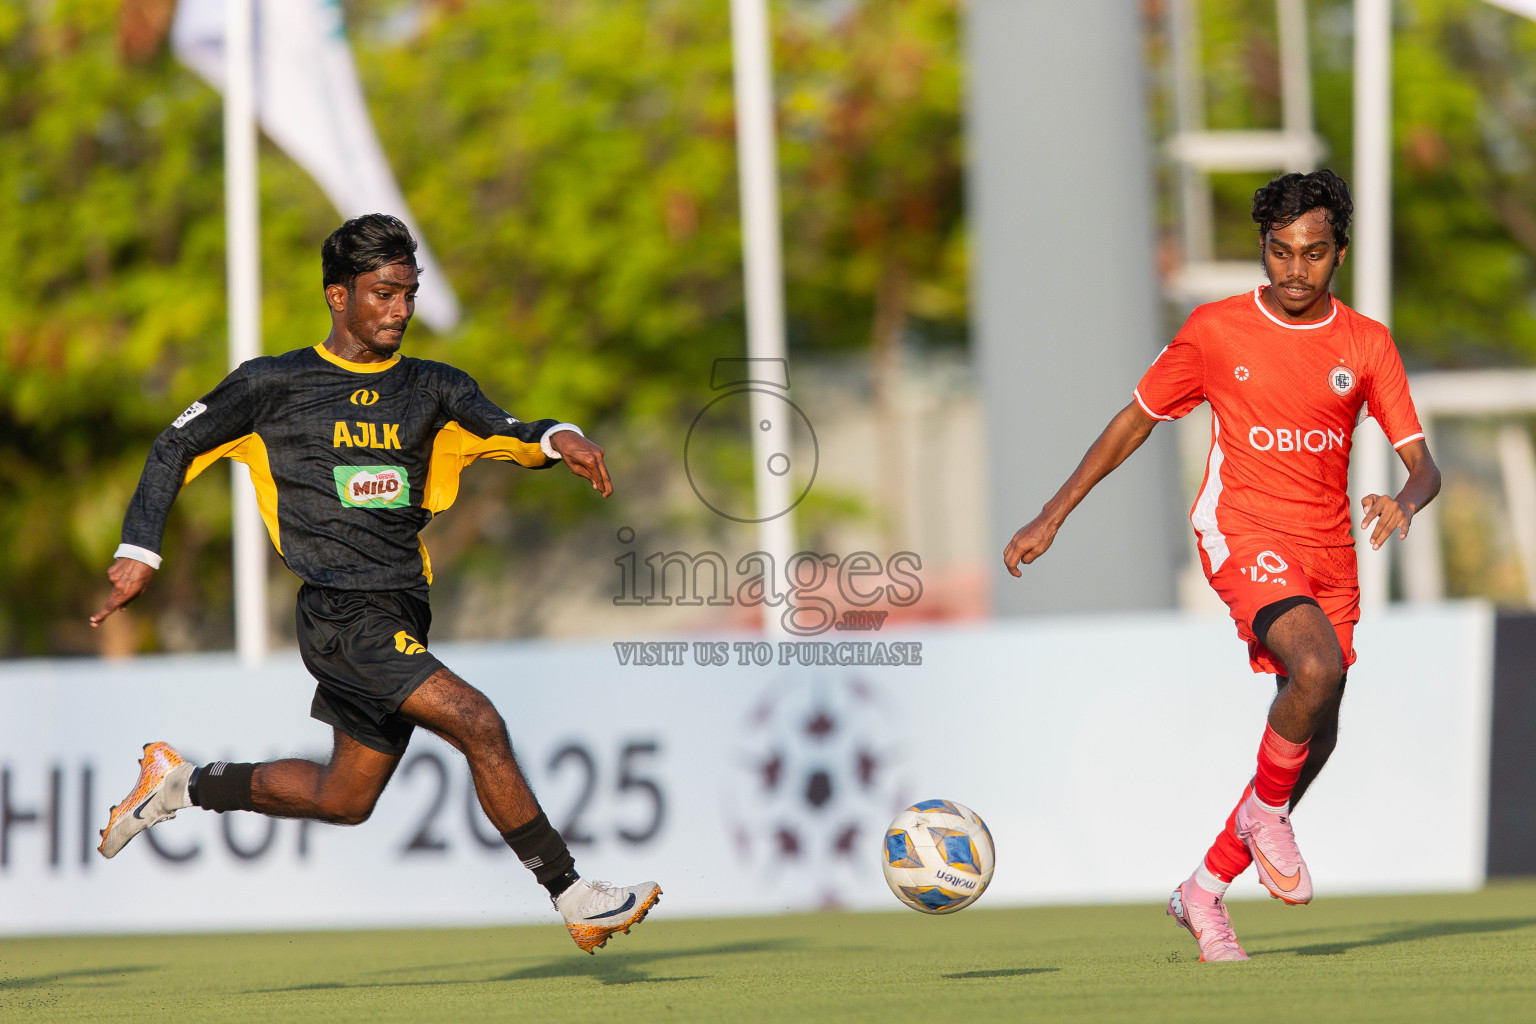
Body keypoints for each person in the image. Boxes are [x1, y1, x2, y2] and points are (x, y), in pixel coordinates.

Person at [90, 213, 659, 954]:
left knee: (344, 798)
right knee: (478, 721)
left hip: (401, 609)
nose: (399, 311)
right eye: (384, 293)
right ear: (338, 295)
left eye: (409, 295)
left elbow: (509, 428)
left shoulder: (432, 388)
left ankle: (180, 784)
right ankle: (574, 893)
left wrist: (562, 437)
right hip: (339, 612)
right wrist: (140, 551)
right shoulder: (273, 385)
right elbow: (175, 445)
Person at [1002, 170, 1440, 962]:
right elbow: (1134, 420)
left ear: (1340, 253)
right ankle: (1264, 820)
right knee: (1315, 666)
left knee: (1319, 727)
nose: (1294, 270)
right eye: (1279, 252)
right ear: (1263, 251)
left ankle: (1202, 891)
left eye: (1312, 254)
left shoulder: (1366, 343)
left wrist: (1407, 499)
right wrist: (1052, 513)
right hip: (1242, 532)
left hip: (1329, 551)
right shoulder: (1215, 331)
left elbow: (1424, 463)